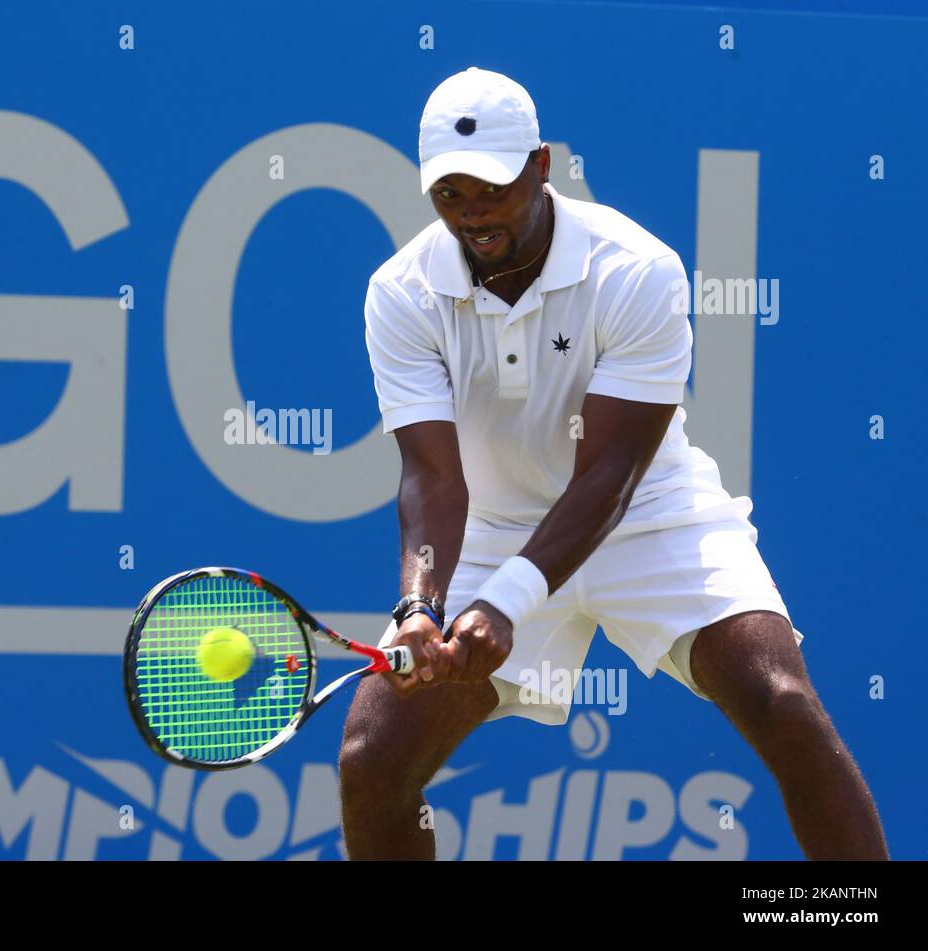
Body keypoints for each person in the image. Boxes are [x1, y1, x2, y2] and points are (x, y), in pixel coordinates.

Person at [338, 67, 888, 861]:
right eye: (450, 194)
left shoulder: (636, 269)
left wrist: (505, 602)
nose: (474, 212)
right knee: (372, 761)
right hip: (493, 527)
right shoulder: (400, 293)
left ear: (540, 165)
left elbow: (612, 474)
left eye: (491, 186)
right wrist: (419, 606)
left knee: (783, 701)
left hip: (647, 513)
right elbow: (432, 476)